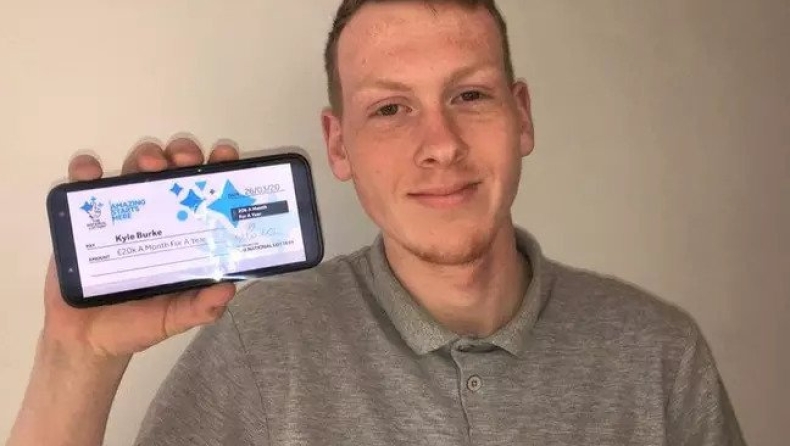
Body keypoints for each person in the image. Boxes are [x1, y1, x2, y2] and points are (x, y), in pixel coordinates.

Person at [8, 1, 746, 445]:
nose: (441, 145)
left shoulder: (660, 354)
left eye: (470, 95)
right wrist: (76, 360)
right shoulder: (262, 346)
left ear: (521, 116)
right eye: (391, 108)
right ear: (338, 146)